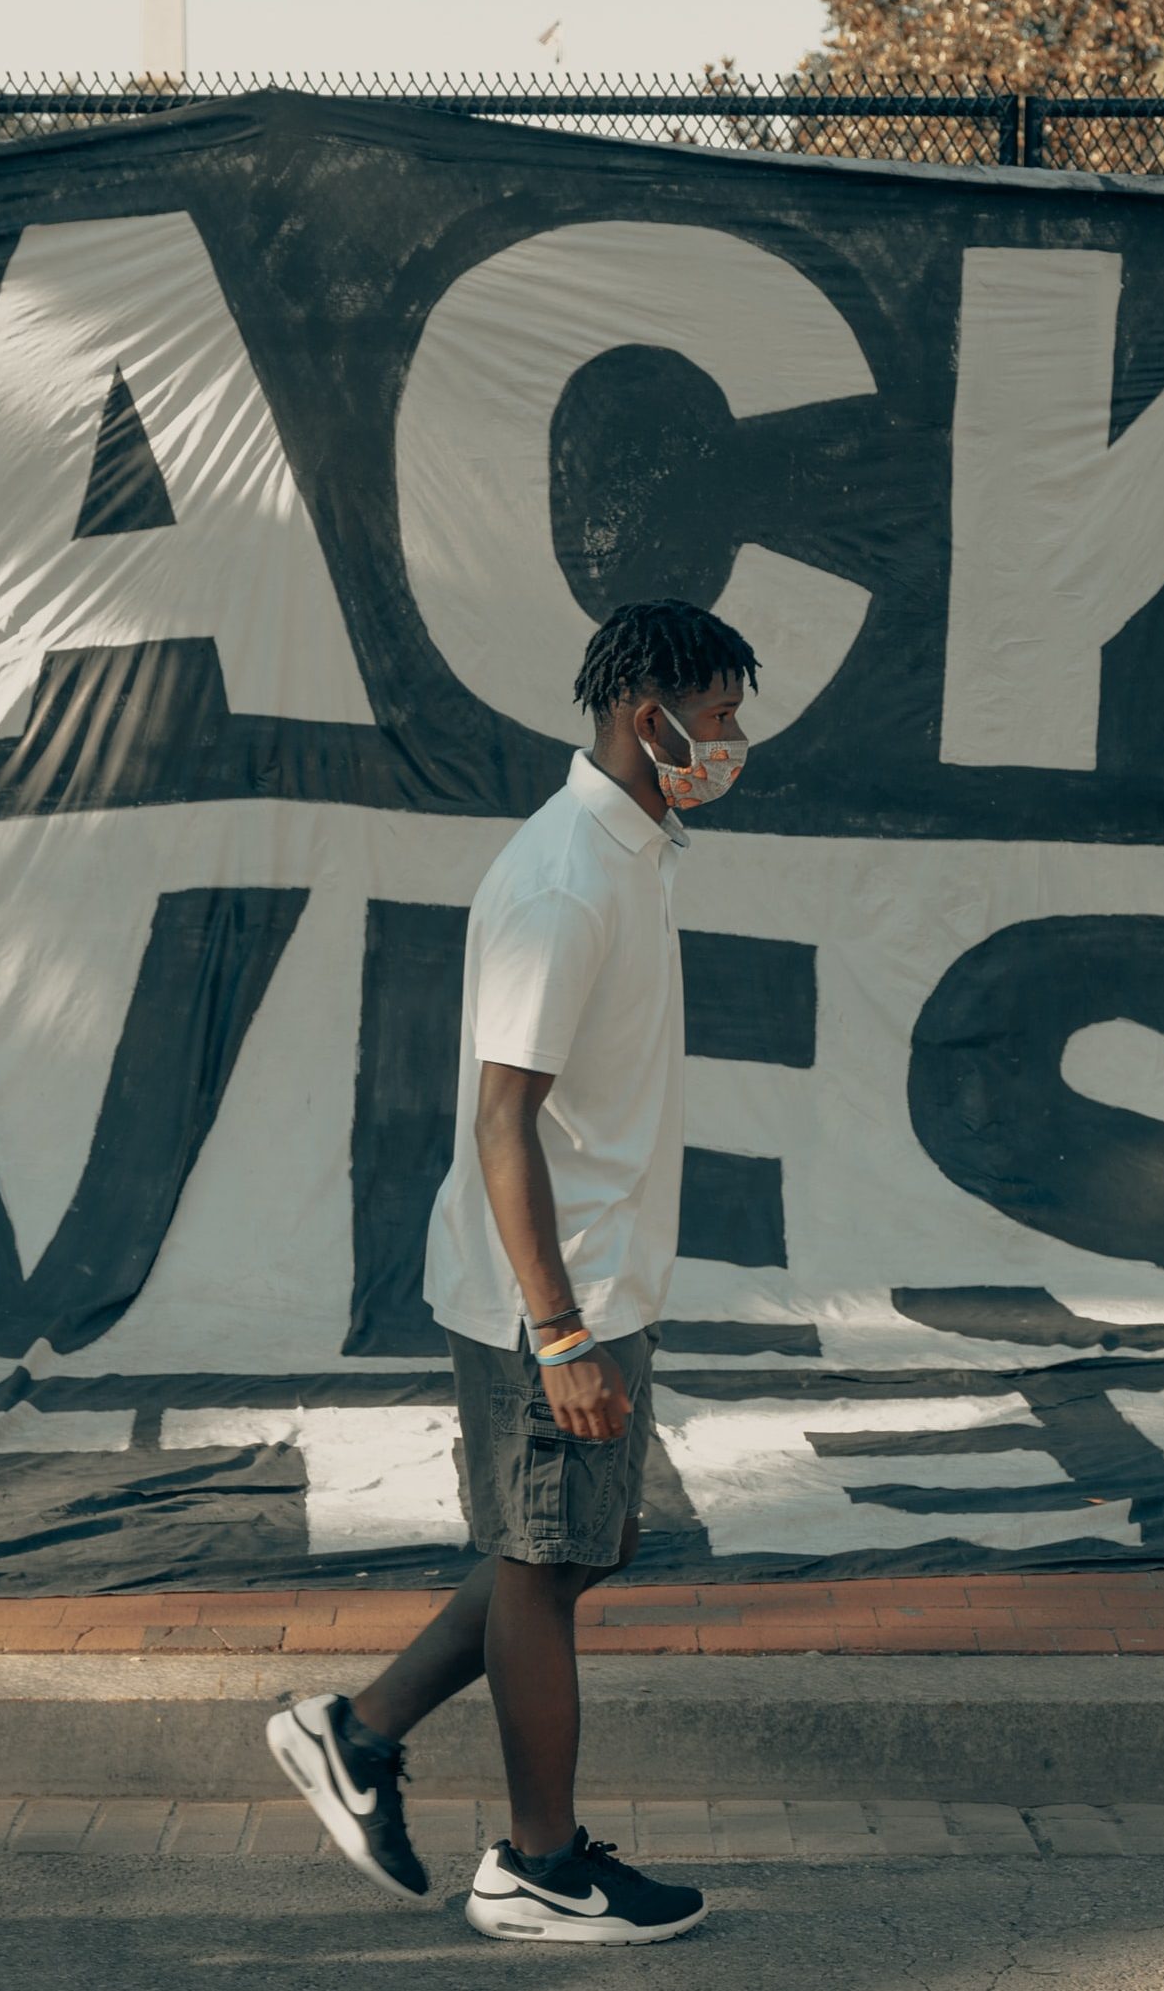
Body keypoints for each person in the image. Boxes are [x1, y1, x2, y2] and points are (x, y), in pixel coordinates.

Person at [267, 597, 755, 1946]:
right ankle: (539, 1866)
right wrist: (557, 1328)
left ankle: (354, 1733)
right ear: (641, 705)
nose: (731, 739)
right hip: (551, 1289)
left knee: (587, 1538)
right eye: (717, 714)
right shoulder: (562, 879)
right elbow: (502, 1120)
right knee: (544, 1559)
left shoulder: (632, 853)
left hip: (599, 1275)